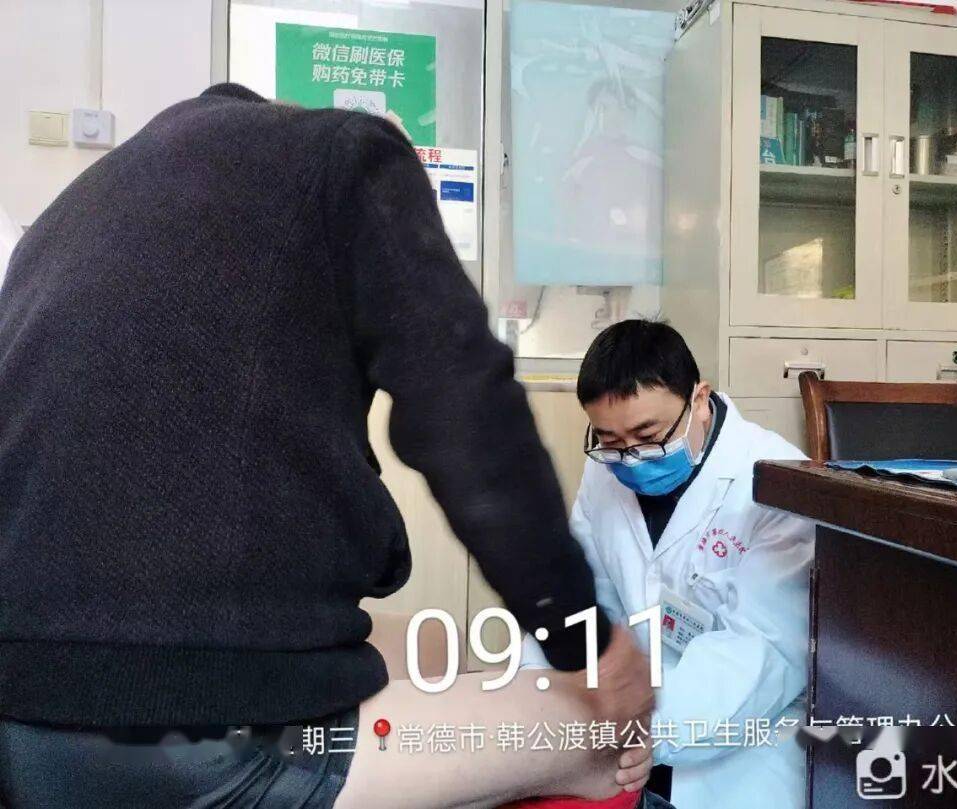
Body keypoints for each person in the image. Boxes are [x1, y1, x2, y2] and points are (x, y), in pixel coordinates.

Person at [0, 83, 653, 807]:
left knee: (438, 645)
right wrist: (587, 643)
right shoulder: (350, 154)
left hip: (20, 721)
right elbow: (467, 411)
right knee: (601, 730)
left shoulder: (78, 209)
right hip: (195, 736)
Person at [523, 320, 815, 808]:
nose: (632, 459)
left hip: (738, 741)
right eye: (611, 440)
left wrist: (645, 727)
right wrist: (535, 690)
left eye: (649, 436)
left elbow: (763, 649)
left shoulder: (776, 484)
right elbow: (584, 595)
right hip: (624, 724)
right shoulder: (607, 469)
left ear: (699, 400)